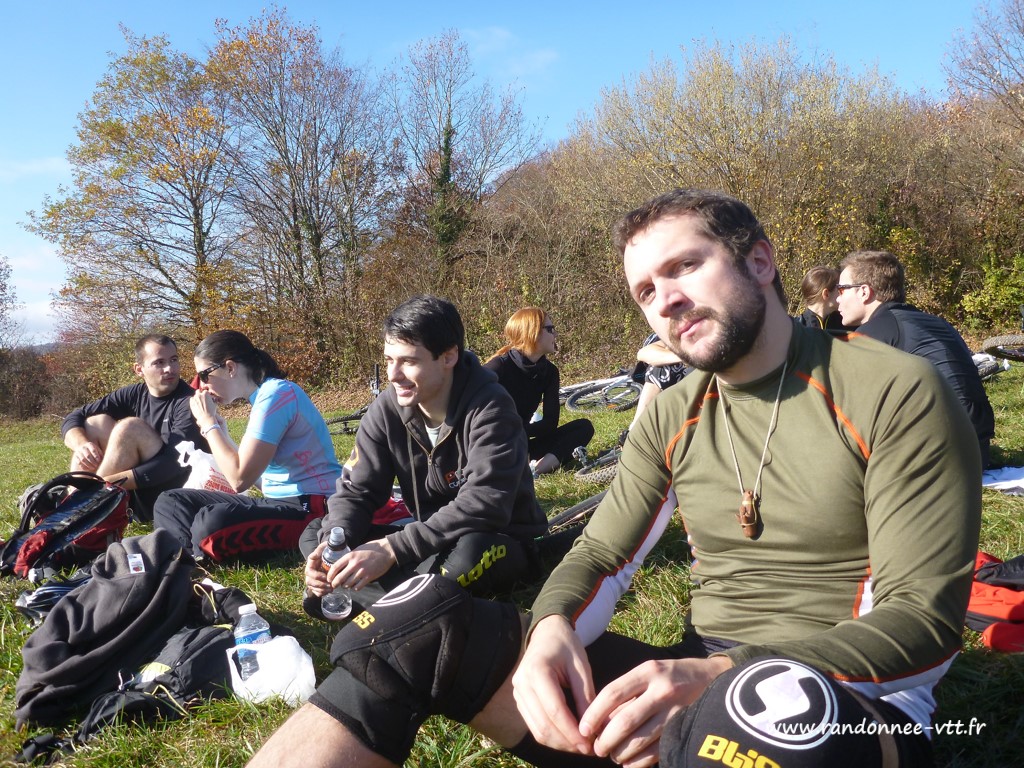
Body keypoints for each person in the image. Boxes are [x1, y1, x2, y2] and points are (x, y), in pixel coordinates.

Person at [247, 191, 980, 768]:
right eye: (645, 291)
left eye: (685, 267)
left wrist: (720, 676)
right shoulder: (675, 412)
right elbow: (600, 554)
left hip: (847, 699)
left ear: (760, 260)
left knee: (744, 719)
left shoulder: (891, 389)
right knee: (411, 627)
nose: (666, 299)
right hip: (689, 682)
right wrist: (549, 630)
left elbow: (925, 623)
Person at [299, 295, 547, 609]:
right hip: (429, 541)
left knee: (470, 554)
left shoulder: (491, 407)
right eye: (389, 360)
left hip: (496, 540)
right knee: (318, 532)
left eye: (408, 361)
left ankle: (384, 598)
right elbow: (357, 491)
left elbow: (486, 504)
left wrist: (392, 549)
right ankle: (401, 593)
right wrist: (334, 546)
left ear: (449, 357)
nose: (393, 375)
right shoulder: (386, 410)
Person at [152, 330, 341, 561]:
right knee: (171, 501)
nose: (202, 386)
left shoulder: (277, 395)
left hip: (312, 508)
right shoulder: (263, 396)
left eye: (204, 375)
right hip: (278, 502)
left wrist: (209, 424)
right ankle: (180, 562)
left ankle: (186, 558)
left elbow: (239, 479)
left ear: (230, 368)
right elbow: (257, 478)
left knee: (210, 521)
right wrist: (221, 432)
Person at [836, 249, 995, 468]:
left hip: (937, 454)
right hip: (977, 448)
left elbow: (846, 404)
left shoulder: (873, 332)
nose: (837, 298)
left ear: (864, 291)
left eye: (842, 289)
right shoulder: (937, 323)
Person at [61, 334, 205, 520]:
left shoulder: (190, 402)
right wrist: (81, 445)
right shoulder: (134, 394)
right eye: (159, 362)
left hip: (168, 496)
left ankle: (84, 507)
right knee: (95, 423)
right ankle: (73, 502)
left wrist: (100, 485)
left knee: (131, 427)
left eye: (173, 360)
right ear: (139, 369)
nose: (169, 368)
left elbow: (174, 464)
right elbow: (74, 417)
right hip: (134, 490)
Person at [484, 307, 594, 476]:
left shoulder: (550, 372)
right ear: (532, 332)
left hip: (521, 444)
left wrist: (521, 432)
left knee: (583, 427)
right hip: (491, 448)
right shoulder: (499, 367)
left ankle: (533, 471)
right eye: (550, 329)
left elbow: (550, 423)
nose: (555, 334)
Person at [796, 265, 850, 331]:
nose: (844, 293)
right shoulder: (795, 330)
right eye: (840, 289)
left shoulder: (849, 325)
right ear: (826, 294)